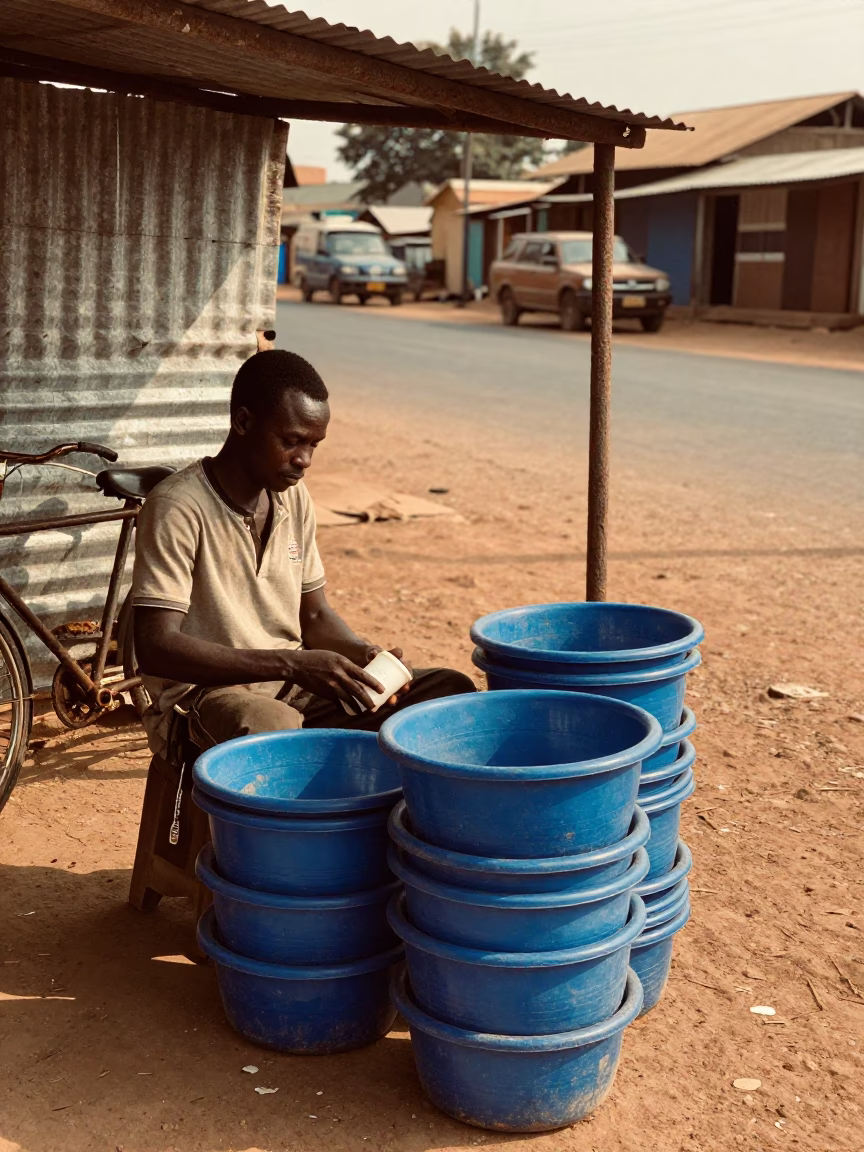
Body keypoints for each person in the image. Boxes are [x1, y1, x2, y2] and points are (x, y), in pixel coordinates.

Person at [131, 349, 474, 757]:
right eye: (291, 441)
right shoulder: (177, 507)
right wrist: (292, 665)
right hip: (207, 695)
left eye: (314, 444)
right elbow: (156, 646)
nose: (304, 460)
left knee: (448, 693)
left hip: (293, 688)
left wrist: (363, 654)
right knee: (271, 724)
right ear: (243, 422)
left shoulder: (293, 498)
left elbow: (314, 617)